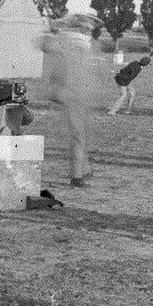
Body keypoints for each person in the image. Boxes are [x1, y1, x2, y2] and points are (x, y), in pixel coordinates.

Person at [43, 13, 103, 187]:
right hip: (72, 94)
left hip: (80, 95)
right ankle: (77, 176)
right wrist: (54, 29)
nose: (90, 28)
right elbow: (47, 46)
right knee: (78, 132)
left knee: (82, 132)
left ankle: (84, 169)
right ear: (80, 26)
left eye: (92, 25)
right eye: (86, 24)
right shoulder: (74, 42)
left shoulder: (85, 43)